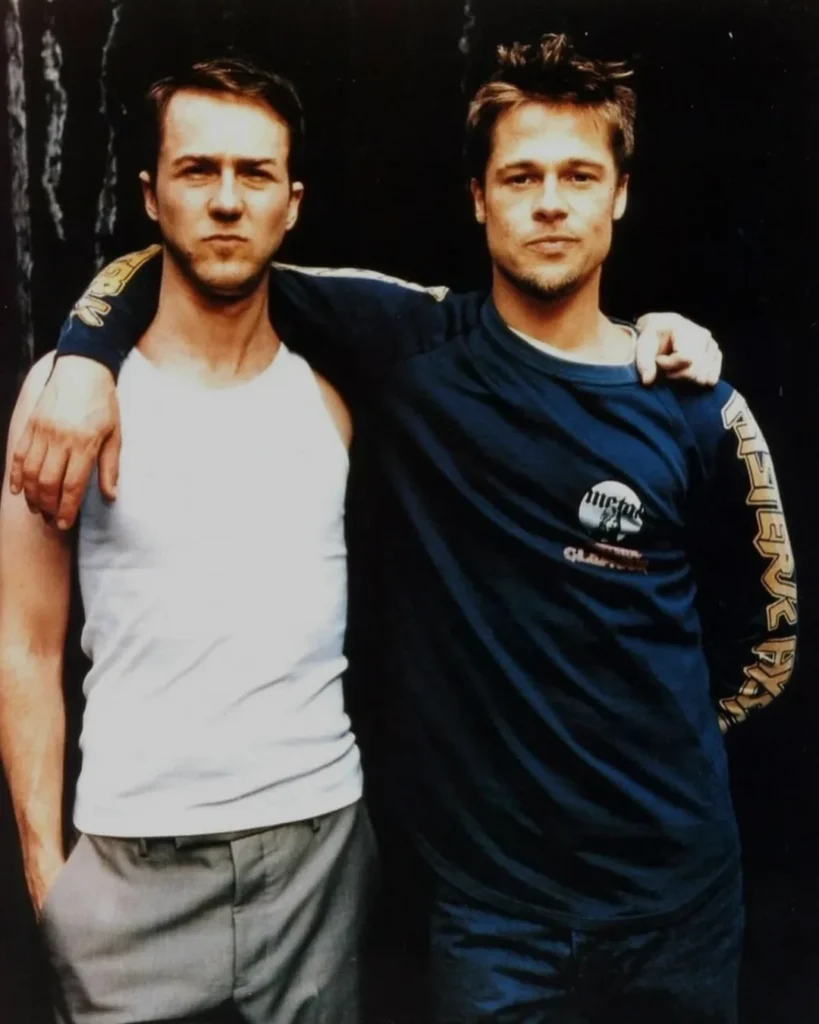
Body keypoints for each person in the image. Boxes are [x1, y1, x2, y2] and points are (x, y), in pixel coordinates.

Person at [7, 35, 795, 1023]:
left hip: (677, 903)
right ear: (477, 198)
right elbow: (204, 255)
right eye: (520, 176)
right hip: (492, 916)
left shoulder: (692, 401)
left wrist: (657, 737)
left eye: (579, 175)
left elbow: (769, 634)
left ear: (621, 194)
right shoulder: (413, 348)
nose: (550, 202)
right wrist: (84, 350)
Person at [0, 60, 375, 1024]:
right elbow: (25, 645)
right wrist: (50, 881)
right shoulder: (66, 401)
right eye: (197, 169)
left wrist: (651, 333)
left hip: (317, 862)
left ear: (292, 204)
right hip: (128, 876)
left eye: (255, 174)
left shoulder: (335, 402)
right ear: (150, 194)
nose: (226, 200)